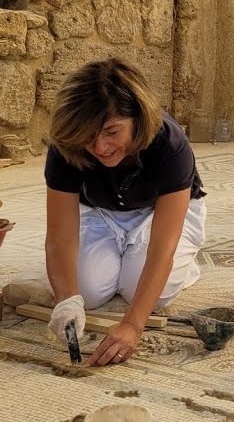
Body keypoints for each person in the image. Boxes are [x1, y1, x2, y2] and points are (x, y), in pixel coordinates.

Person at [43, 58, 208, 367]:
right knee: (86, 294)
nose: (100, 146)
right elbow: (59, 235)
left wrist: (132, 326)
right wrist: (66, 300)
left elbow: (162, 247)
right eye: (88, 136)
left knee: (146, 294)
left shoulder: (170, 143)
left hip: (160, 214)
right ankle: (117, 256)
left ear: (138, 119)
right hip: (104, 213)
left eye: (111, 132)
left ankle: (186, 264)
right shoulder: (66, 144)